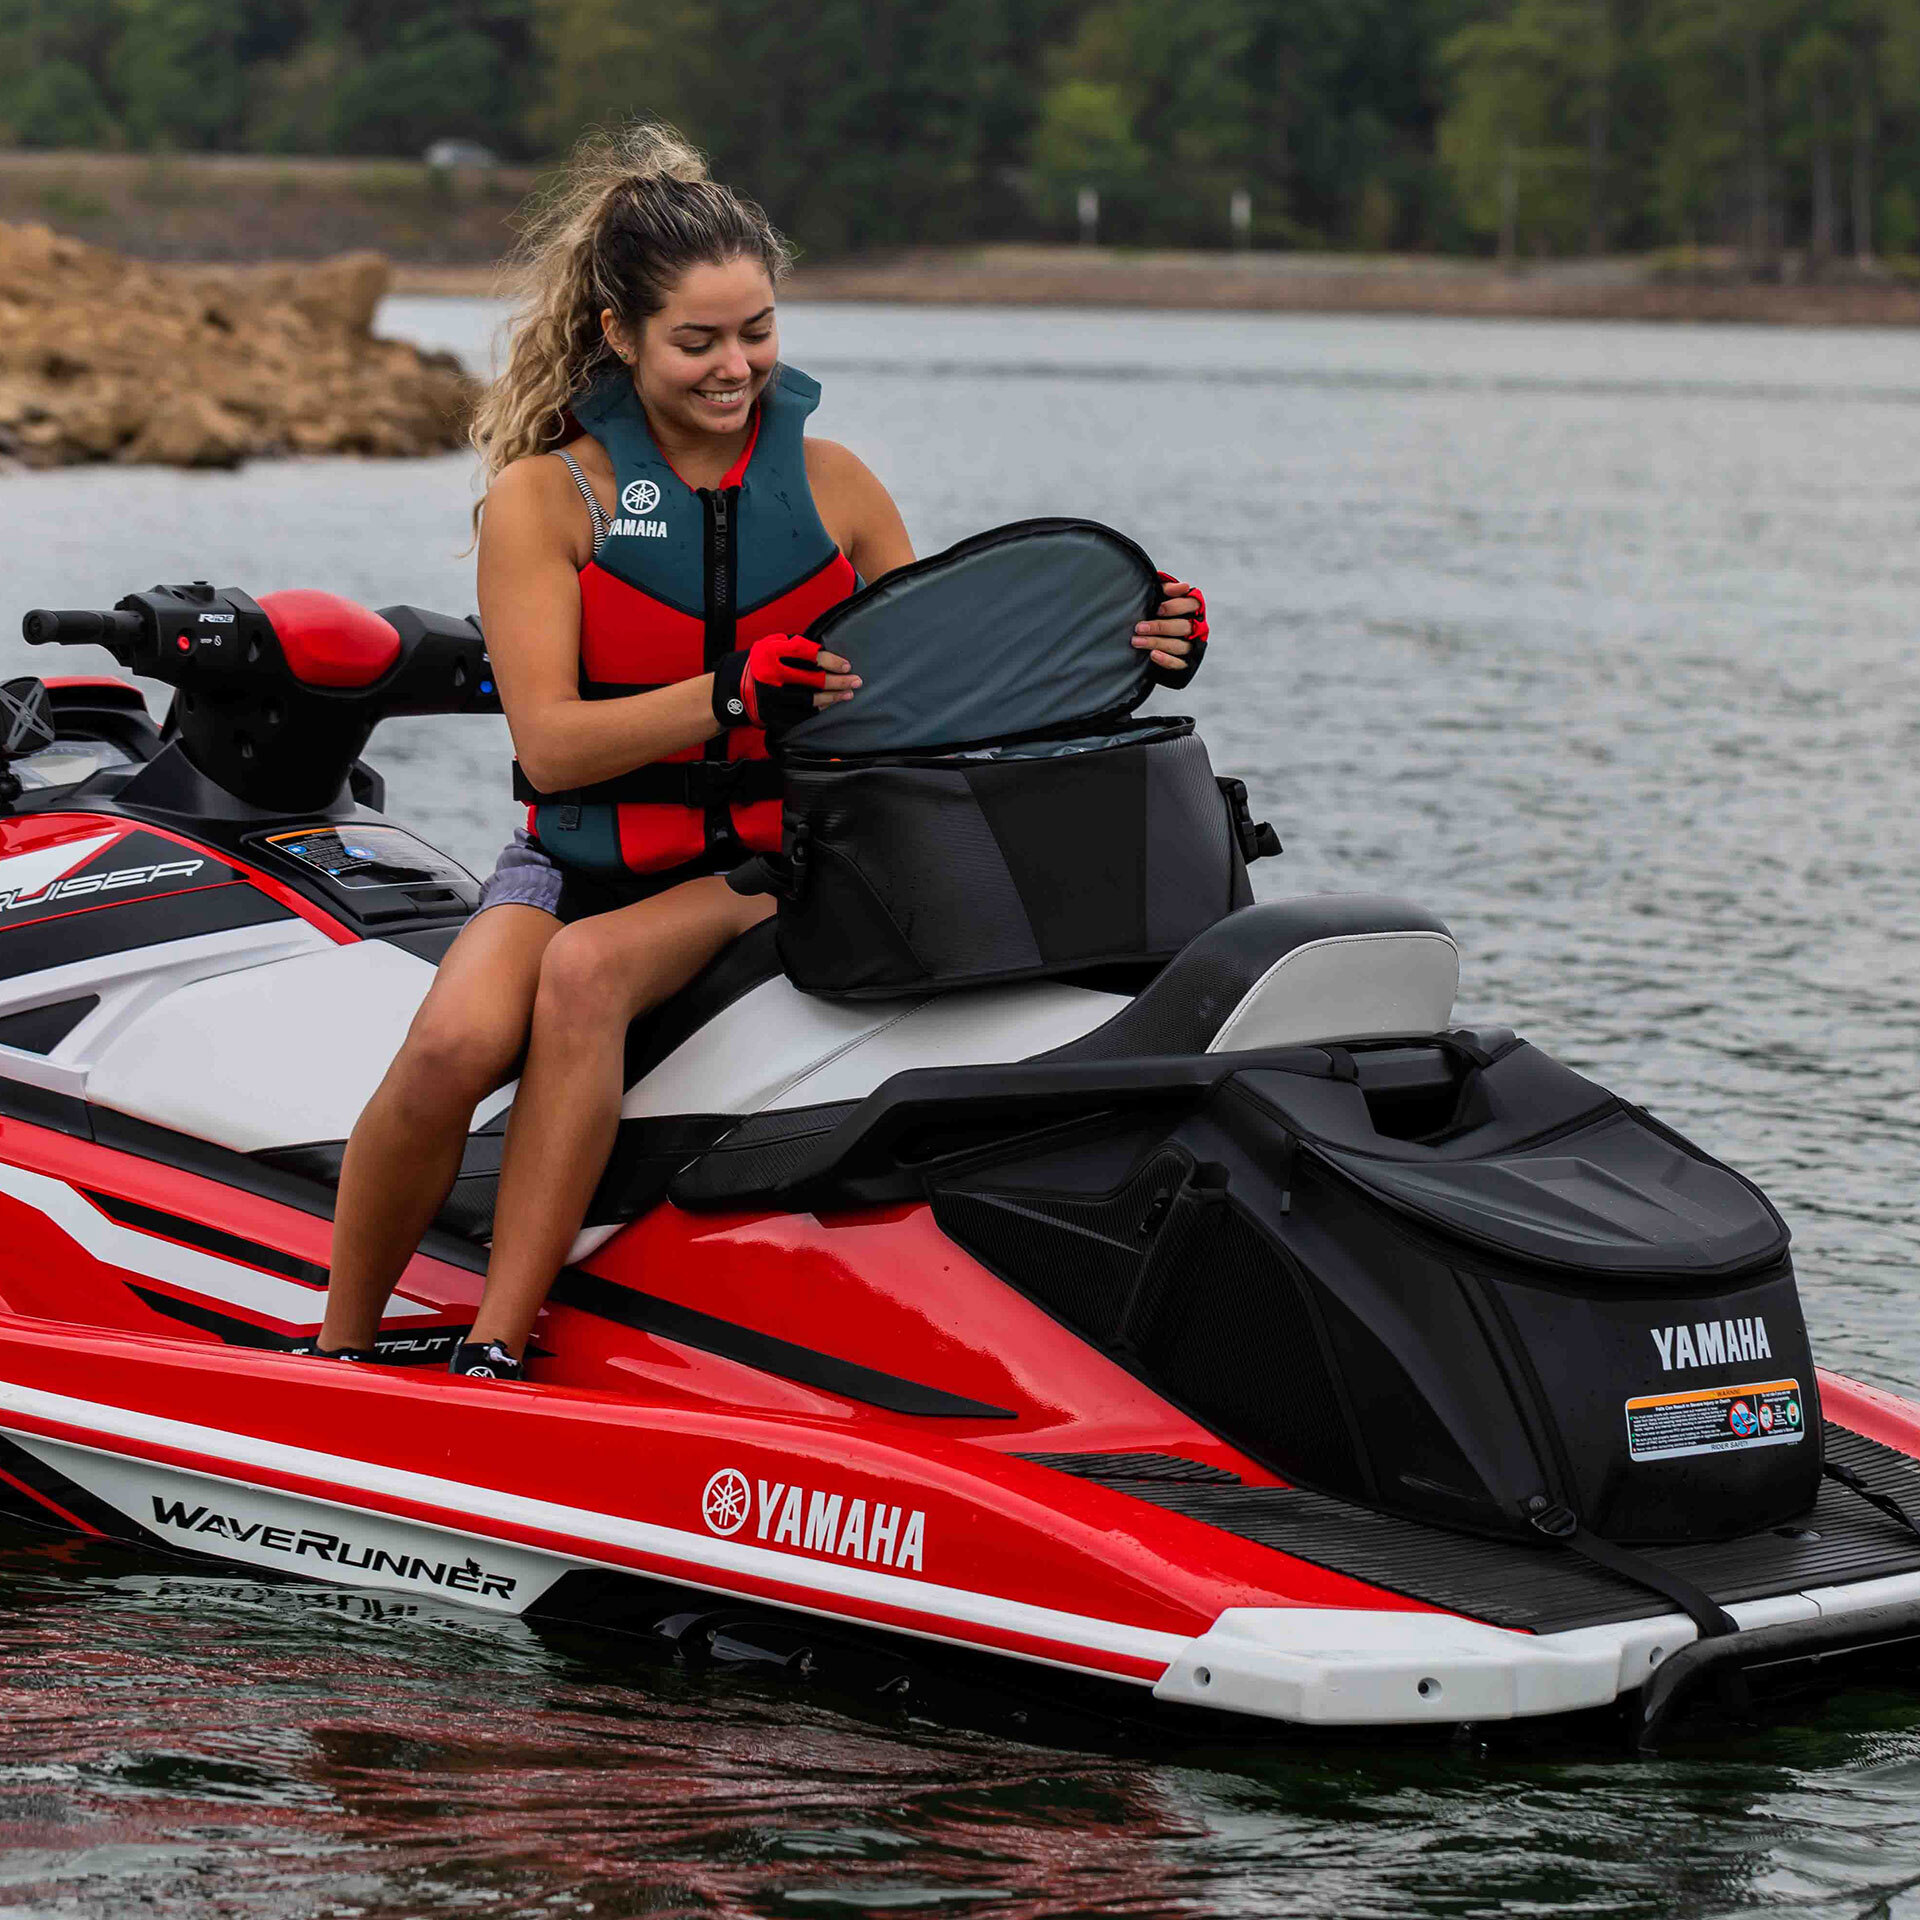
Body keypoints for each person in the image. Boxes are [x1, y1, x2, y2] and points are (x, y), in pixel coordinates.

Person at [302, 122, 1207, 1381]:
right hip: (577, 851)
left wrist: (1134, 645)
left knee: (586, 978)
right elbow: (553, 752)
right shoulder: (545, 499)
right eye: (700, 341)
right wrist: (729, 696)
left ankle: (497, 1345)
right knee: (452, 1044)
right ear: (620, 335)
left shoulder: (836, 489)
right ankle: (336, 1350)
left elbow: (946, 705)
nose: (737, 366)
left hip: (776, 858)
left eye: (759, 331)